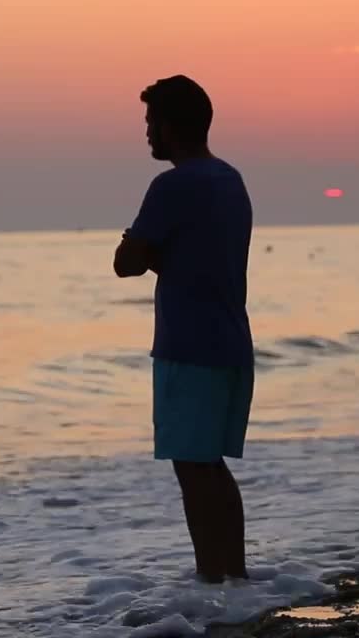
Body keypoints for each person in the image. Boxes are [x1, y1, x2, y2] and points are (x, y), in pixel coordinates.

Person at [114, 75, 255, 584]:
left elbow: (126, 263)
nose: (148, 132)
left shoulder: (171, 185)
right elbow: (200, 256)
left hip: (188, 345)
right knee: (211, 464)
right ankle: (235, 578)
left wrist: (141, 243)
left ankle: (209, 581)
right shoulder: (230, 179)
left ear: (172, 126)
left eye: (152, 121)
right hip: (233, 342)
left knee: (193, 468)